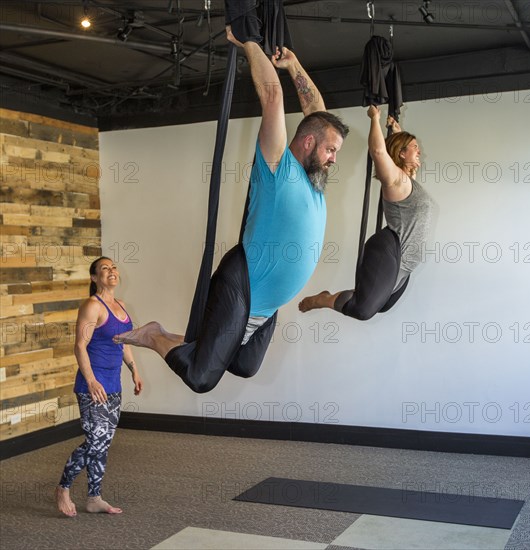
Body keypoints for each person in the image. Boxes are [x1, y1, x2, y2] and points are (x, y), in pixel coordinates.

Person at [112, 30, 349, 392]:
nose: (334, 159)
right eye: (331, 150)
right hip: (243, 285)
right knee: (201, 377)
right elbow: (271, 96)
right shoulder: (277, 168)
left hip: (265, 308)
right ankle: (154, 336)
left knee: (244, 365)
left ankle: (177, 339)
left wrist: (294, 64)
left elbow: (318, 111)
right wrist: (248, 41)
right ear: (308, 142)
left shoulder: (314, 181)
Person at [299, 105, 435, 319]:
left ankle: (330, 297)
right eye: (415, 147)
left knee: (382, 305)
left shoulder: (408, 181)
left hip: (404, 265)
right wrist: (374, 118)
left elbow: (396, 154)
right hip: (391, 251)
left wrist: (397, 130)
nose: (419, 151)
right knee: (362, 310)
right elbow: (379, 152)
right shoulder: (395, 180)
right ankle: (322, 300)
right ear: (401, 153)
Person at [55, 257, 143, 517]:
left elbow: (123, 341)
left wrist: (134, 368)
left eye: (113, 267)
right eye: (104, 268)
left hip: (113, 384)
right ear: (94, 278)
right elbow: (79, 346)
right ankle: (63, 488)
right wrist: (92, 380)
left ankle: (94, 498)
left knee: (103, 443)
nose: (111, 271)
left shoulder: (121, 306)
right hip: (92, 384)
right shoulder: (92, 306)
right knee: (96, 441)